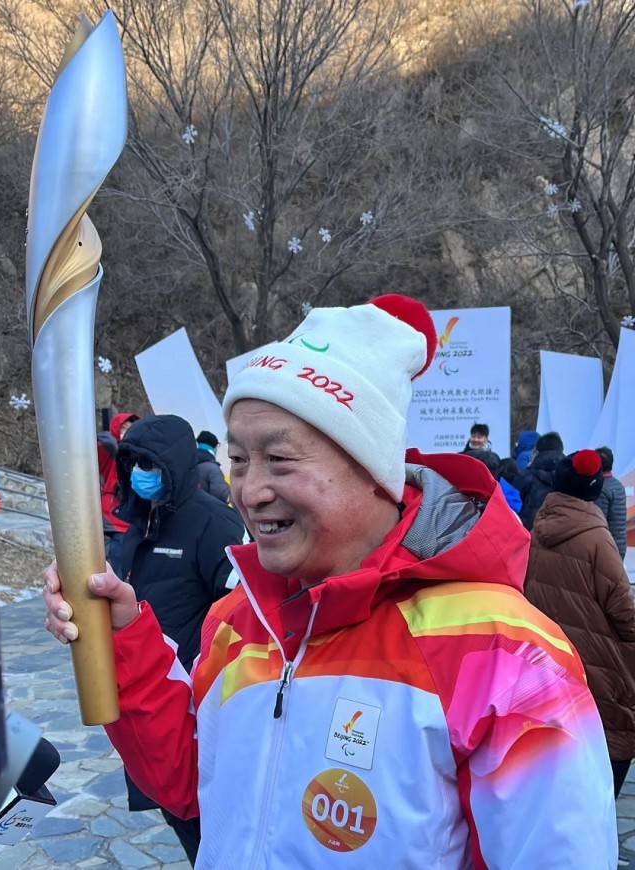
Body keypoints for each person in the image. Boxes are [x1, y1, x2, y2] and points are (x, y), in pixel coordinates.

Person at [45, 295, 617, 868]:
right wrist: (123, 638)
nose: (250, 491)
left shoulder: (505, 652)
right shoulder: (238, 621)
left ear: (371, 468)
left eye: (280, 459)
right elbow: (191, 782)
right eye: (238, 459)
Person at [113, 413, 245, 865]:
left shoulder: (214, 523)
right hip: (152, 696)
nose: (139, 474)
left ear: (174, 465)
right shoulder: (141, 522)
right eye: (132, 464)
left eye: (149, 464)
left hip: (194, 701)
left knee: (209, 829)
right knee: (175, 811)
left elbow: (240, 615)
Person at [524, 450, 635, 853]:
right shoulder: (595, 537)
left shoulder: (540, 524)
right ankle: (595, 843)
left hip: (549, 654)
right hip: (595, 657)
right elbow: (623, 609)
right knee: (613, 739)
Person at [97, 412, 138, 574]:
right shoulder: (111, 450)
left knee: (119, 570)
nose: (127, 431)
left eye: (131, 428)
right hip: (109, 517)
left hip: (127, 520)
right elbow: (100, 449)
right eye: (123, 427)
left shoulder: (136, 455)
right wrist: (106, 439)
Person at [515, 430, 564, 530]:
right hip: (562, 533)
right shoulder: (571, 477)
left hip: (529, 532)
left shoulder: (526, 476)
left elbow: (510, 505)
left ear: (537, 451)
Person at [595, 446, 628, 560]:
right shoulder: (618, 485)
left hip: (607, 548)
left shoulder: (601, 488)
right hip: (619, 544)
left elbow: (598, 522)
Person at [195, 430, 231, 503]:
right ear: (214, 447)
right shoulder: (212, 468)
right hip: (205, 508)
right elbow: (221, 496)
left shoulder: (187, 462)